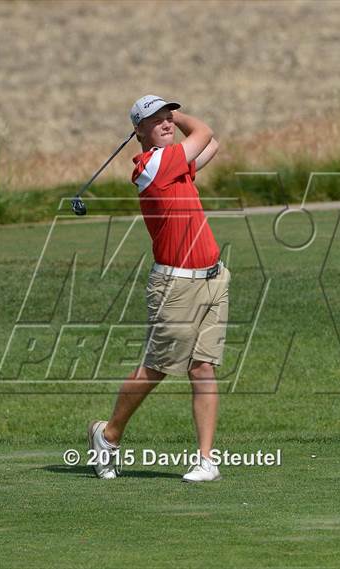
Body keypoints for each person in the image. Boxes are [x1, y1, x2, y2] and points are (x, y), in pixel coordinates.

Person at [88, 95, 230, 482]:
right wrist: (182, 117)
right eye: (157, 121)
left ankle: (205, 460)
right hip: (176, 284)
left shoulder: (175, 166)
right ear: (138, 132)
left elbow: (212, 145)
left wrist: (166, 116)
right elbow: (204, 133)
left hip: (213, 277)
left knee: (203, 369)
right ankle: (109, 435)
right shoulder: (155, 165)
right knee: (156, 369)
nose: (167, 124)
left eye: (169, 118)